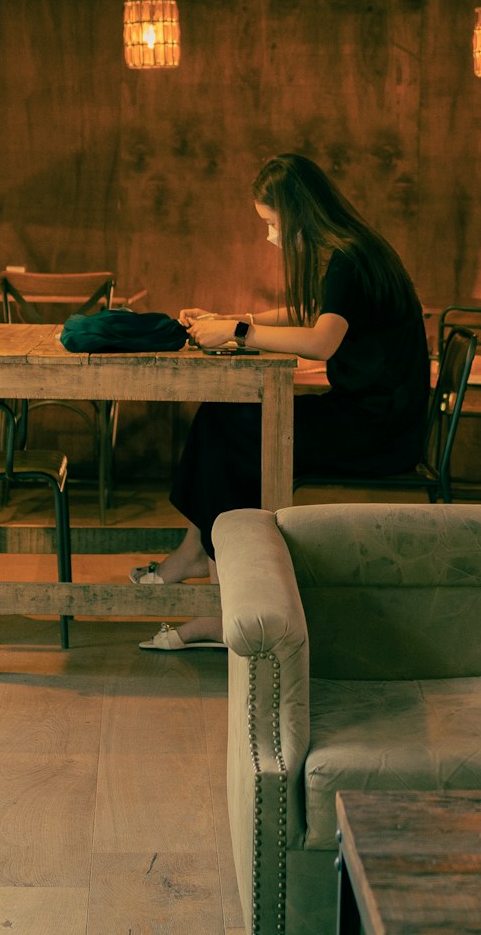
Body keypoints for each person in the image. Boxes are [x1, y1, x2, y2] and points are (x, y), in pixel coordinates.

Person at [135, 152, 430, 650]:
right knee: (223, 419)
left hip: (376, 431)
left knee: (228, 431)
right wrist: (232, 319)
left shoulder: (349, 259)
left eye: (272, 223)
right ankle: (202, 556)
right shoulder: (355, 249)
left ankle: (223, 601)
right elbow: (313, 311)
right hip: (375, 418)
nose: (271, 235)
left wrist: (238, 331)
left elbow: (321, 340)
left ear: (299, 215)